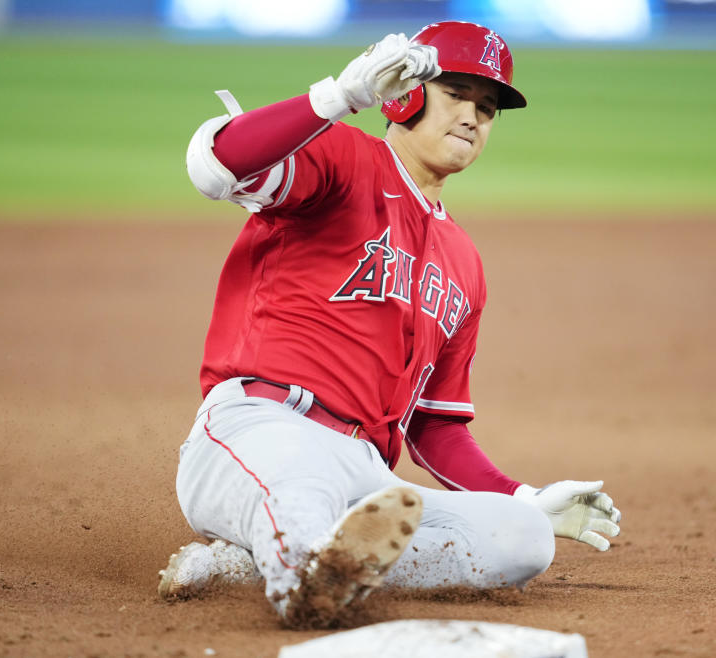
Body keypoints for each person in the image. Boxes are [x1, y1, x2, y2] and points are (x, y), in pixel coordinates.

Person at [158, 20, 622, 628]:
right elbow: (213, 164)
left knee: (523, 541)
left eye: (488, 107)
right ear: (406, 95)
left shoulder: (465, 264)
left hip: (368, 475)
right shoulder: (343, 158)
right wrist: (337, 99)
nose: (474, 116)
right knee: (300, 501)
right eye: (457, 93)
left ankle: (255, 563)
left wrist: (524, 498)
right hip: (266, 430)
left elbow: (434, 425)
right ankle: (299, 572)